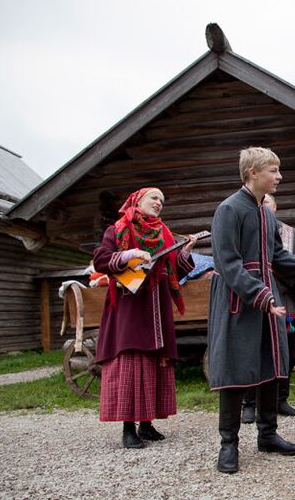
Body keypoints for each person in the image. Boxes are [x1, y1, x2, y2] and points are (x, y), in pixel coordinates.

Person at [207, 147, 295, 474]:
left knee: (271, 364)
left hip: (268, 301)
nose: (279, 177)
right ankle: (228, 444)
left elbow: (279, 258)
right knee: (235, 372)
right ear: (253, 173)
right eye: (273, 171)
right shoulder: (228, 210)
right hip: (238, 301)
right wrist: (261, 295)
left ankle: (268, 434)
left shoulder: (267, 213)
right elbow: (229, 265)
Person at [93, 187, 196, 449]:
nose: (159, 203)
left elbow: (173, 268)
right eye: (154, 198)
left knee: (153, 360)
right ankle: (128, 428)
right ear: (137, 200)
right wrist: (129, 255)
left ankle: (147, 424)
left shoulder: (164, 232)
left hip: (157, 304)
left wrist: (185, 251)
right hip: (129, 304)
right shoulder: (118, 228)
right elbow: (101, 260)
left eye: (162, 200)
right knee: (131, 358)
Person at [241, 194, 295, 422]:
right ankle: (248, 404)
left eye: (268, 204)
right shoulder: (250, 233)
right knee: (257, 354)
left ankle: (280, 400)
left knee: (288, 353)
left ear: (275, 208)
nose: (265, 207)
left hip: (289, 302)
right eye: (262, 204)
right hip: (263, 299)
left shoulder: (292, 235)